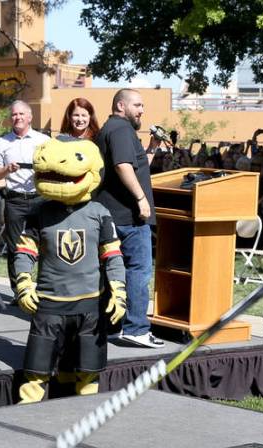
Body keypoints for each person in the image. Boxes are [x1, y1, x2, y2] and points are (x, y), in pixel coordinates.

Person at [13, 136, 126, 402]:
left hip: (89, 305)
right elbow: (24, 252)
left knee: (87, 375)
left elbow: (113, 256)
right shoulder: (38, 212)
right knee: (35, 375)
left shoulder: (100, 212)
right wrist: (23, 283)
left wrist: (119, 291)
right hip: (50, 303)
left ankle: (81, 423)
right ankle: (22, 423)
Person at [95, 88, 165, 348]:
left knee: (114, 272)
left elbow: (135, 166)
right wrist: (141, 199)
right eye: (137, 105)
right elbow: (122, 166)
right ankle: (136, 327)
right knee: (138, 270)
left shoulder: (112, 129)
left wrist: (152, 149)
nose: (142, 110)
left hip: (113, 215)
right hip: (129, 218)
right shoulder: (122, 129)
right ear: (121, 106)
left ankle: (113, 326)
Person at [0, 100, 50, 294]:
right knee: (15, 246)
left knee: (44, 244)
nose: (18, 117)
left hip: (39, 198)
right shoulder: (2, 142)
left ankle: (43, 288)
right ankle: (19, 291)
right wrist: (7, 169)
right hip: (14, 199)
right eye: (14, 114)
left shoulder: (43, 141)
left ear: (30, 117)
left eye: (21, 114)